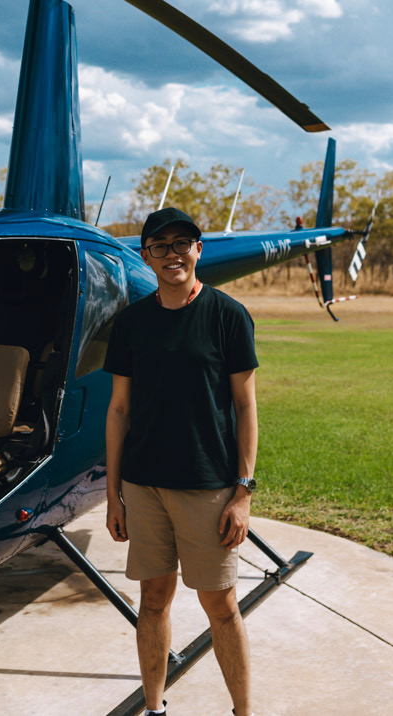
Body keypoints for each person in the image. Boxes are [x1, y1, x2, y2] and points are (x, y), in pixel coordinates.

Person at [105, 207, 260, 716]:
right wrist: (113, 494)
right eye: (160, 245)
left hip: (208, 486)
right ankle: (154, 708)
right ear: (146, 255)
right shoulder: (131, 323)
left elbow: (245, 406)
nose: (172, 254)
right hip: (145, 486)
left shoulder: (228, 315)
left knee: (221, 605)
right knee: (153, 601)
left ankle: (242, 711)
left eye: (182, 243)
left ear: (199, 249)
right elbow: (120, 408)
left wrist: (243, 492)